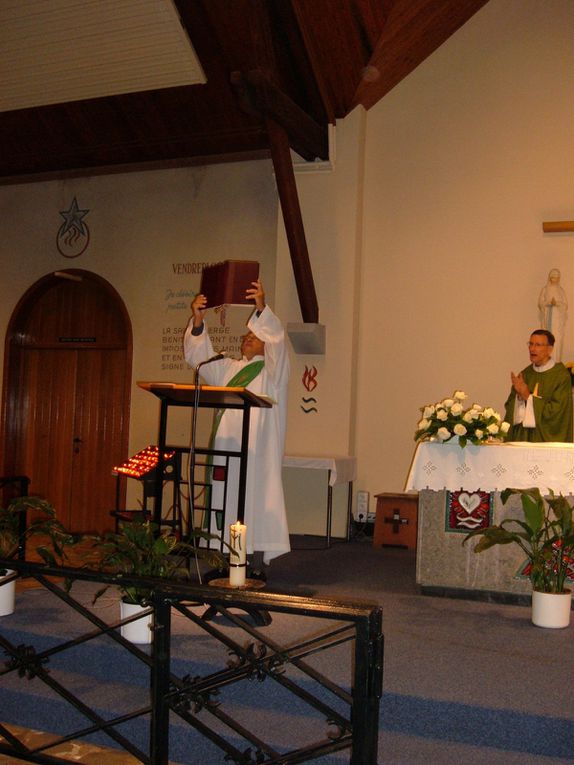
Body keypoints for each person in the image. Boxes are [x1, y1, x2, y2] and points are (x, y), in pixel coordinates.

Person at [183, 279, 290, 575]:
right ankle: (225, 561)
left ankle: (249, 565)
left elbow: (279, 343)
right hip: (226, 451)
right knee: (225, 500)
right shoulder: (229, 368)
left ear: (266, 345)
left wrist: (260, 307)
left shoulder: (273, 373)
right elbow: (200, 360)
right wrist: (197, 321)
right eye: (245, 336)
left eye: (254, 337)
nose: (246, 339)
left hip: (256, 455)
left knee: (250, 502)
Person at [504, 329, 573, 442]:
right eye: (530, 344)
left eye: (538, 345)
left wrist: (528, 397)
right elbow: (510, 408)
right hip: (524, 440)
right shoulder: (525, 374)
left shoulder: (561, 376)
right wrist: (519, 399)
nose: (532, 349)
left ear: (550, 349)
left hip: (547, 443)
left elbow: (558, 414)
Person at [538, 268, 568, 361]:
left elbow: (565, 304)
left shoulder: (561, 291)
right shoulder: (545, 289)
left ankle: (556, 360)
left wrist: (557, 303)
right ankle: (546, 360)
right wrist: (548, 303)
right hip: (548, 320)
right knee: (547, 339)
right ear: (550, 278)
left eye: (556, 278)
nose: (554, 279)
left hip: (557, 322)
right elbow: (540, 303)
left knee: (557, 340)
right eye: (553, 278)